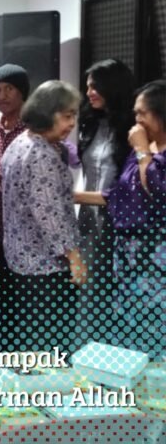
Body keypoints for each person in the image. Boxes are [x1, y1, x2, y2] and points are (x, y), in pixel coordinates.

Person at [77, 80, 166, 359]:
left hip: (156, 258)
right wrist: (74, 196)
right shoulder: (143, 149)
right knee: (128, 331)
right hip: (128, 257)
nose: (136, 120)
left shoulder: (145, 151)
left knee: (154, 330)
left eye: (142, 113)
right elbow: (117, 195)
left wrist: (142, 151)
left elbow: (158, 190)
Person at [1, 81, 87, 353]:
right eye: (67, 116)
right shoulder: (42, 155)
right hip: (46, 267)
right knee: (51, 345)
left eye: (74, 115)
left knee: (33, 340)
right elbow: (50, 215)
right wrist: (74, 258)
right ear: (47, 113)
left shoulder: (19, 143)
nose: (72, 123)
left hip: (22, 261)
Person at [73, 59, 135, 345]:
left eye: (95, 86)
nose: (89, 93)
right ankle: (86, 354)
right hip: (88, 220)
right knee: (89, 291)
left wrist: (70, 196)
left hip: (119, 222)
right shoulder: (90, 123)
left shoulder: (132, 129)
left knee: (113, 292)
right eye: (87, 87)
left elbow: (126, 189)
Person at [0, 63, 30, 351]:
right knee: (1, 293)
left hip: (25, 234)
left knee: (22, 297)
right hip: (0, 230)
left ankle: (22, 353)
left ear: (22, 92)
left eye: (9, 89)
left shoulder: (33, 130)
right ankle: (1, 348)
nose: (2, 96)